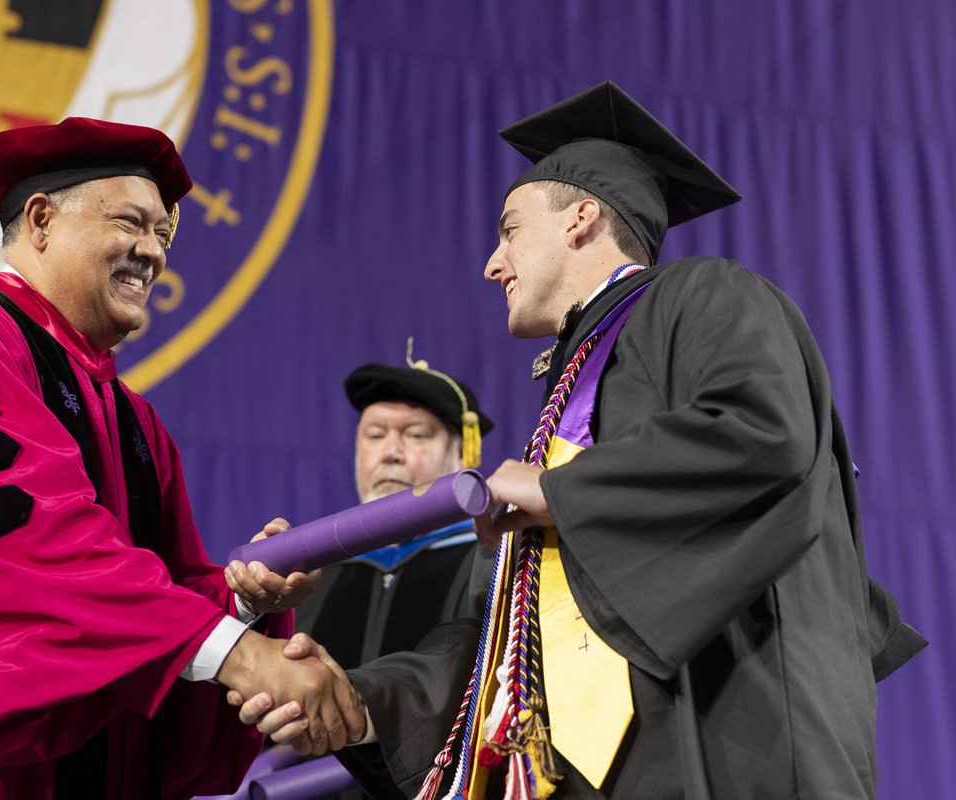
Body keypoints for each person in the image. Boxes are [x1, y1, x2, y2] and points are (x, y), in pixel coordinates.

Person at [234, 81, 926, 799]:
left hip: (728, 746)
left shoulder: (705, 296)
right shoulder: (553, 424)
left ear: (582, 219)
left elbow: (763, 435)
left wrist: (559, 490)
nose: (491, 264)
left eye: (508, 230)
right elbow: (500, 645)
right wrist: (357, 701)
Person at [0, 117, 363, 800]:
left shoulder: (135, 421)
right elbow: (12, 546)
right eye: (131, 223)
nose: (152, 251)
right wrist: (236, 654)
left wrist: (241, 602)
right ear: (40, 219)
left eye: (164, 236)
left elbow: (147, 597)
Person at [294, 356, 495, 669]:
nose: (390, 454)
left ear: (461, 455)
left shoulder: (490, 566)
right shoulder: (315, 575)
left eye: (416, 435)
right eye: (375, 436)